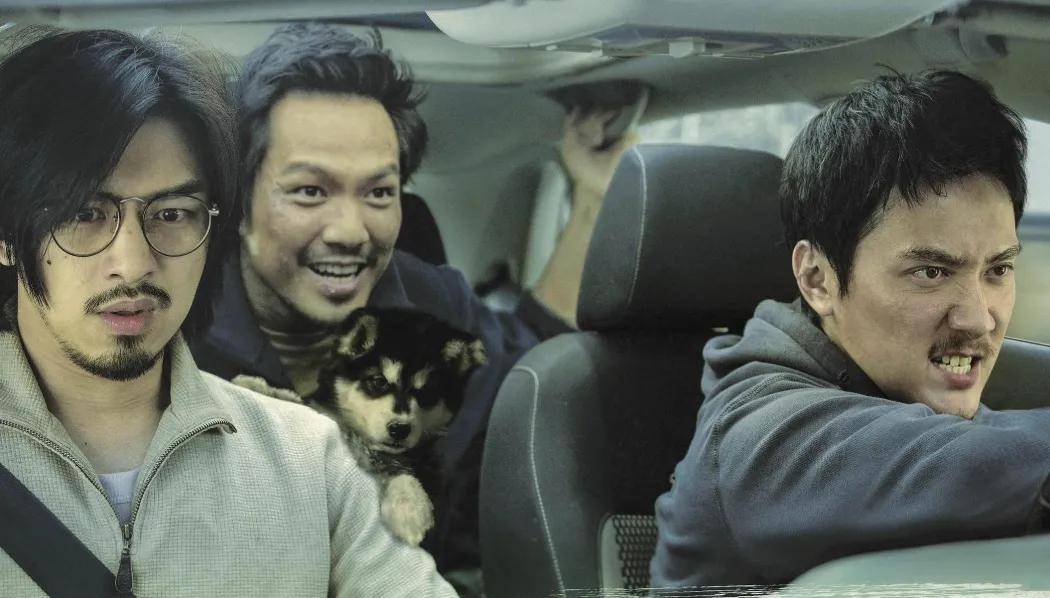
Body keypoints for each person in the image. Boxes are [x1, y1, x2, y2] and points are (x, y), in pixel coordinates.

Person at [0, 28, 455, 596]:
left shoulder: (311, 457)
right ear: (8, 234)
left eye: (172, 214)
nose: (133, 263)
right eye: (84, 214)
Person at [186, 21, 634, 577]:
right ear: (239, 203)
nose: (350, 231)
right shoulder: (170, 324)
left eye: (379, 192)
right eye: (310, 191)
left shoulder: (427, 305)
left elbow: (539, 370)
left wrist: (592, 197)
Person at [650, 70, 1050, 589]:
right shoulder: (761, 440)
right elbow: (984, 467)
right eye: (931, 272)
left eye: (998, 269)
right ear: (817, 279)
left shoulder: (911, 394)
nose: (978, 318)